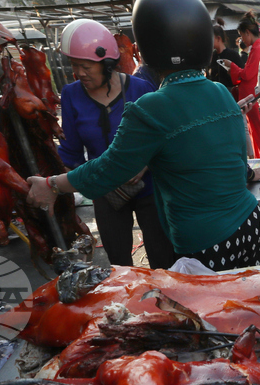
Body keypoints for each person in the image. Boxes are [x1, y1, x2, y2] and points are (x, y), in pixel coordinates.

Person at [26, 0, 260, 272]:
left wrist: (53, 184)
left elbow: (107, 169)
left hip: (206, 243)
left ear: (143, 49)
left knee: (206, 304)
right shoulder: (220, 92)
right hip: (252, 227)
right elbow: (234, 159)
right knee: (257, 301)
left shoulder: (151, 107)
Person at [56, 19, 176, 269]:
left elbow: (166, 136)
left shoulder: (141, 89)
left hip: (148, 188)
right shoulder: (71, 95)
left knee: (162, 257)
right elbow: (71, 152)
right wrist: (54, 184)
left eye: (86, 66)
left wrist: (145, 163)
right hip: (104, 191)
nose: (79, 73)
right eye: (74, 65)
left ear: (107, 63)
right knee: (118, 264)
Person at [220, 12, 260, 158]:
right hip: (252, 97)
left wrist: (232, 66)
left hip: (253, 97)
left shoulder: (258, 49)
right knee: (254, 131)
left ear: (247, 32)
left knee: (257, 131)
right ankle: (258, 158)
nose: (242, 40)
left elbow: (247, 74)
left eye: (241, 35)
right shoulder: (256, 48)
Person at [208, 24, 243, 97]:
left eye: (211, 38)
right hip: (214, 93)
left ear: (218, 38)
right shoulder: (212, 56)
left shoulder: (233, 55)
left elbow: (241, 74)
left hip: (229, 95)